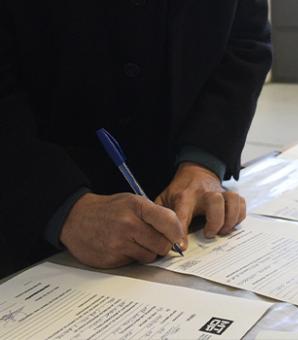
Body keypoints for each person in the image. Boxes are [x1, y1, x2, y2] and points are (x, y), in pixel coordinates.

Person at [0, 0, 272, 277]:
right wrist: (61, 207)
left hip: (177, 192)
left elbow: (245, 40)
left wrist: (203, 160)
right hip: (25, 213)